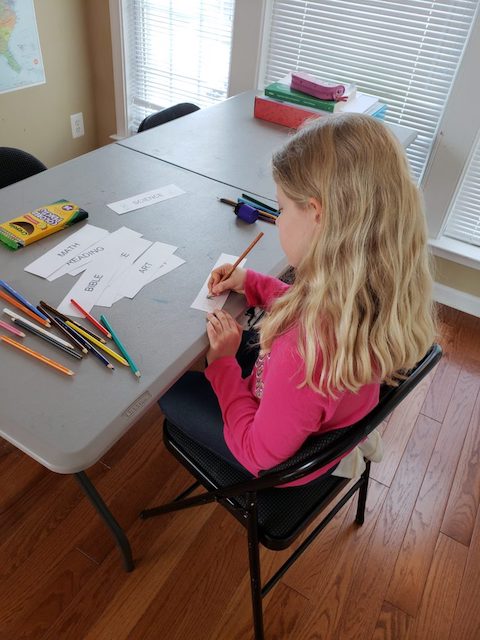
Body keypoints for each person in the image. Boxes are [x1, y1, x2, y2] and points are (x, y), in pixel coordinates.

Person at [159, 113, 436, 486]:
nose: (277, 220)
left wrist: (222, 364)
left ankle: (339, 460)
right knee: (247, 347)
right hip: (338, 413)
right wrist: (252, 283)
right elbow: (307, 306)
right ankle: (352, 445)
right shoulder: (373, 286)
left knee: (171, 390)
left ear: (317, 215)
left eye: (282, 208)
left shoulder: (303, 349)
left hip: (281, 464)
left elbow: (258, 455)